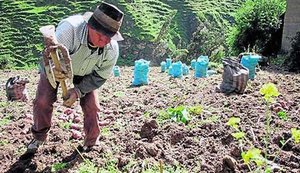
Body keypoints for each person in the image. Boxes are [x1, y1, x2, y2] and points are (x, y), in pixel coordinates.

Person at [27, 2, 124, 153]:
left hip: (86, 74)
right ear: (90, 26)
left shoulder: (112, 49)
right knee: (43, 100)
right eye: (100, 34)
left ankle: (91, 143)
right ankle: (39, 137)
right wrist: (54, 69)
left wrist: (77, 91)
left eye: (109, 36)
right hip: (57, 69)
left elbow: (99, 78)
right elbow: (49, 57)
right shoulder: (69, 30)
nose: (104, 41)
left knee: (93, 107)